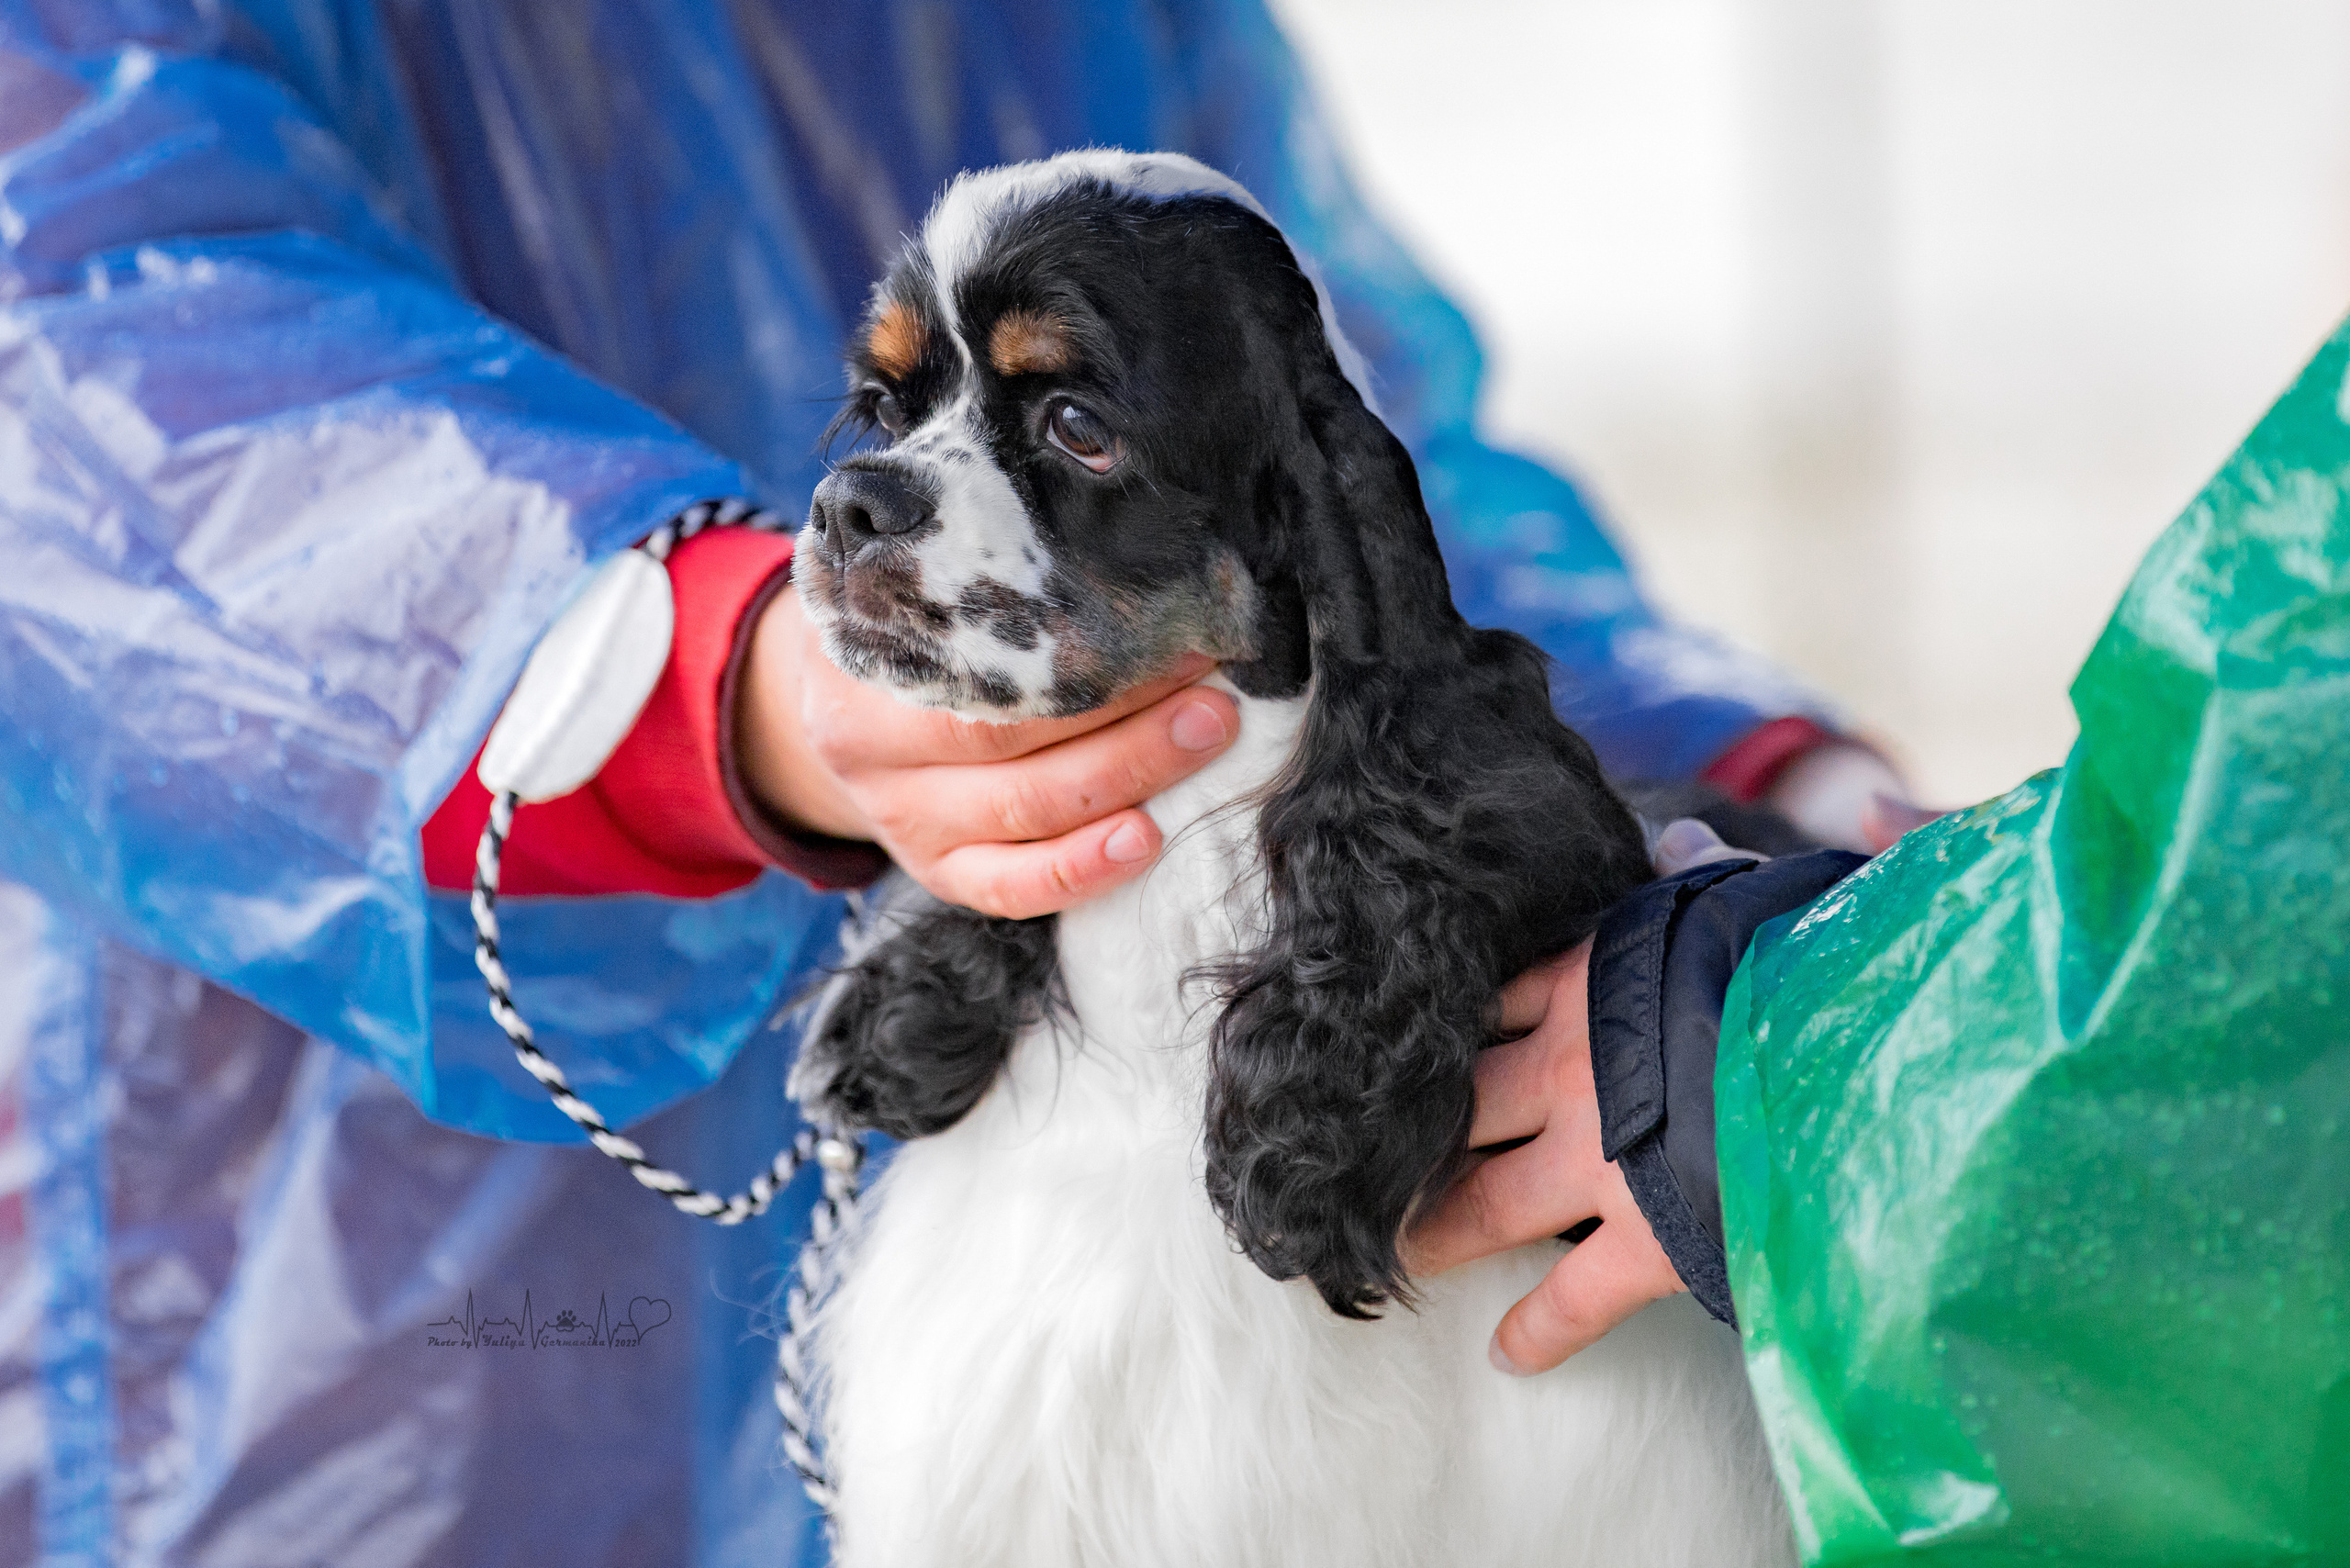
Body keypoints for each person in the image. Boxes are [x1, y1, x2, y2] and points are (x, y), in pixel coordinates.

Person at [0, 4, 1917, 1564]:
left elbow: (1343, 449)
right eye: (892, 405)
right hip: (312, 1271)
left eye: (1046, 405)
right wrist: (708, 671)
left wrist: (1750, 777)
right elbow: (73, 363)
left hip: (1210, 1190)